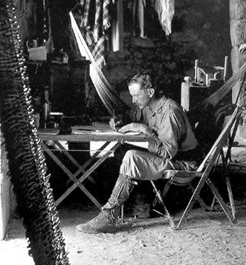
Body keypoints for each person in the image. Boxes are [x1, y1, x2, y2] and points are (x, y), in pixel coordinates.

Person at [76, 72, 200, 233]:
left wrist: (144, 130)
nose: (134, 100)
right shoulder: (147, 106)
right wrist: (119, 120)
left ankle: (109, 215)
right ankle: (142, 203)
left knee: (132, 158)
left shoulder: (170, 112)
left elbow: (167, 152)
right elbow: (130, 115)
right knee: (122, 151)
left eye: (136, 96)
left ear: (150, 92)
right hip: (171, 157)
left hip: (184, 163)